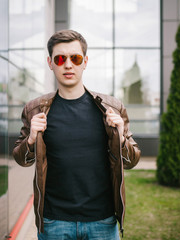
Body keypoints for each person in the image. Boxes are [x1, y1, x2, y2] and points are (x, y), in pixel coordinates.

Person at [13, 29, 141, 240]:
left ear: (85, 61)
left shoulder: (111, 108)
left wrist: (120, 135)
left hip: (102, 220)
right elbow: (21, 159)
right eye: (60, 58)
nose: (68, 64)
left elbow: (132, 161)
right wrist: (31, 139)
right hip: (54, 222)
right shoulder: (35, 110)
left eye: (75, 58)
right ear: (50, 62)